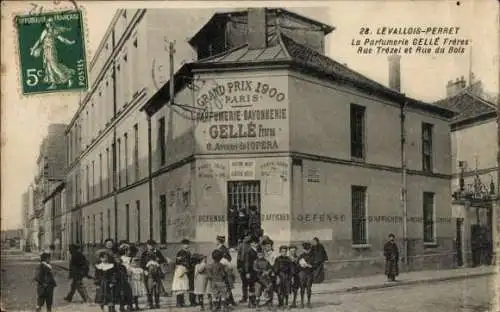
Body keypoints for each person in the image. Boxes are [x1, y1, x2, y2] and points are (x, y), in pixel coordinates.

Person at [29, 17, 76, 89]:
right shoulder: (45, 32)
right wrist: (33, 49)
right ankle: (53, 83)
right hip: (46, 51)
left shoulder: (54, 31)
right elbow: (39, 41)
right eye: (48, 23)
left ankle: (68, 79)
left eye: (51, 23)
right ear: (47, 24)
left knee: (54, 66)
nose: (49, 24)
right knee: (48, 67)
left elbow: (62, 39)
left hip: (51, 50)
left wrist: (70, 42)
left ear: (53, 24)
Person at [216, 235, 237, 306]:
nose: (217, 241)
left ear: (219, 241)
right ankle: (231, 300)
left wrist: (224, 263)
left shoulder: (222, 249)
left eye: (218, 240)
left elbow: (228, 258)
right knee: (226, 285)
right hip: (223, 268)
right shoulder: (221, 248)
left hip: (224, 268)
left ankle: (229, 301)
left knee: (226, 285)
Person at [173, 239, 192, 307]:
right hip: (180, 270)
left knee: (183, 286)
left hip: (185, 270)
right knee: (179, 286)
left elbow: (189, 262)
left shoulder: (188, 252)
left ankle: (182, 302)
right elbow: (178, 262)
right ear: (182, 245)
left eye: (187, 244)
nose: (186, 245)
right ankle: (178, 302)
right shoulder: (180, 252)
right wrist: (183, 267)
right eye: (185, 244)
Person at [298, 242, 315, 309]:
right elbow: (297, 264)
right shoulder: (301, 256)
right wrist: (301, 265)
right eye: (305, 249)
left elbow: (315, 264)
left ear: (310, 249)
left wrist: (311, 266)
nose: (307, 251)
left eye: (308, 249)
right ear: (303, 249)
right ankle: (302, 302)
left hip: (309, 273)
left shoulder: (313, 256)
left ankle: (308, 302)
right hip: (302, 273)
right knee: (302, 288)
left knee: (308, 288)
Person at [244, 237, 260, 308]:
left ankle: (253, 301)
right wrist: (247, 272)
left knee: (254, 286)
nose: (256, 244)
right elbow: (247, 262)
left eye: (256, 243)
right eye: (254, 243)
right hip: (251, 271)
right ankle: (250, 302)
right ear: (251, 244)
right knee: (251, 286)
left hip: (255, 271)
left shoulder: (256, 250)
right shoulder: (249, 251)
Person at [237, 235, 251, 304]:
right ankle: (245, 297)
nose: (247, 238)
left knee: (250, 283)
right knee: (244, 283)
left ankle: (250, 298)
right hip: (243, 267)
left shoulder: (251, 245)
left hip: (249, 267)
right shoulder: (241, 245)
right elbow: (239, 257)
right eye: (246, 237)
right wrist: (239, 267)